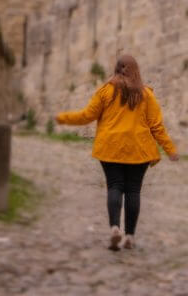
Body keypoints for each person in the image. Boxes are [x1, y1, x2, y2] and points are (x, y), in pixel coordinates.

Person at [55, 53, 179, 251]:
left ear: (115, 69)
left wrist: (63, 118)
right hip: (138, 150)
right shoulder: (146, 95)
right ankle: (129, 236)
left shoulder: (106, 91)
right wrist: (170, 149)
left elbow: (87, 115)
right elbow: (157, 126)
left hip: (110, 147)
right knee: (133, 191)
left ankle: (114, 228)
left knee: (114, 186)